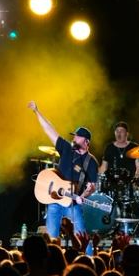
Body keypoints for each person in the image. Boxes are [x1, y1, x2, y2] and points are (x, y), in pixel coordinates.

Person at [30, 101, 100, 240]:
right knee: (51, 240)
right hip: (54, 201)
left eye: (77, 136)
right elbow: (50, 130)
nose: (73, 138)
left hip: (72, 204)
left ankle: (89, 260)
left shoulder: (91, 162)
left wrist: (84, 196)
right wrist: (37, 112)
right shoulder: (67, 148)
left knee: (82, 239)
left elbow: (92, 187)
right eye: (74, 136)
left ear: (86, 141)